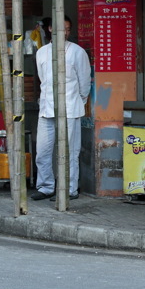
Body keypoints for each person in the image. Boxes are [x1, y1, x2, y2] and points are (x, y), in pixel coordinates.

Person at [31, 16, 90, 201]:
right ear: (50, 29)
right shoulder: (42, 52)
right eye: (60, 28)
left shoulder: (77, 52)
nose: (64, 32)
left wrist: (76, 101)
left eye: (67, 29)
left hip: (70, 108)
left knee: (70, 152)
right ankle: (46, 186)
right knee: (43, 151)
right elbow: (43, 79)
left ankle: (70, 189)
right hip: (46, 108)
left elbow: (84, 83)